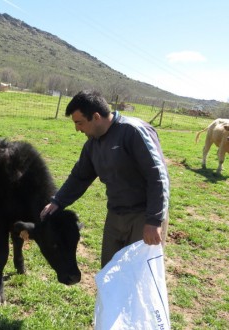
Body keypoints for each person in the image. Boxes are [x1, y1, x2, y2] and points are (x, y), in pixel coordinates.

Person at [40, 90, 170, 268]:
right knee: (110, 270)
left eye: (79, 122)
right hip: (116, 214)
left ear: (95, 116)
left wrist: (154, 220)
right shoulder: (93, 144)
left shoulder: (133, 132)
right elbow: (80, 176)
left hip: (144, 216)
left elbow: (158, 176)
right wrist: (57, 201)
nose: (77, 129)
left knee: (140, 274)